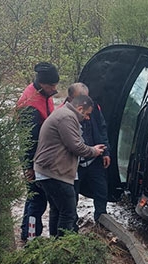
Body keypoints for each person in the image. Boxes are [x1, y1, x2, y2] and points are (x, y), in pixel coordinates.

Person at [33, 94, 106, 237]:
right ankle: (64, 248)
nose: (87, 118)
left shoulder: (62, 113)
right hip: (54, 173)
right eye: (86, 114)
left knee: (57, 210)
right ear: (79, 108)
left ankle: (55, 244)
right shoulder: (67, 117)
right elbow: (76, 146)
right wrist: (94, 151)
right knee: (68, 213)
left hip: (46, 171)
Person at [16, 62, 60, 242]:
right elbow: (28, 141)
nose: (54, 89)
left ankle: (26, 230)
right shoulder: (30, 105)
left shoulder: (43, 94)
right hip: (34, 159)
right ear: (43, 84)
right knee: (37, 199)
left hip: (41, 157)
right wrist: (29, 167)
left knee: (34, 196)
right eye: (52, 85)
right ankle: (31, 237)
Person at [62, 83, 111, 224]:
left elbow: (102, 129)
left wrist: (106, 151)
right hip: (75, 162)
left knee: (101, 190)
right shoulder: (63, 113)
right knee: (72, 196)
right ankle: (72, 226)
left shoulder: (93, 108)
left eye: (86, 98)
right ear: (71, 98)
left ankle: (101, 221)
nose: (85, 103)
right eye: (80, 99)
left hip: (95, 158)